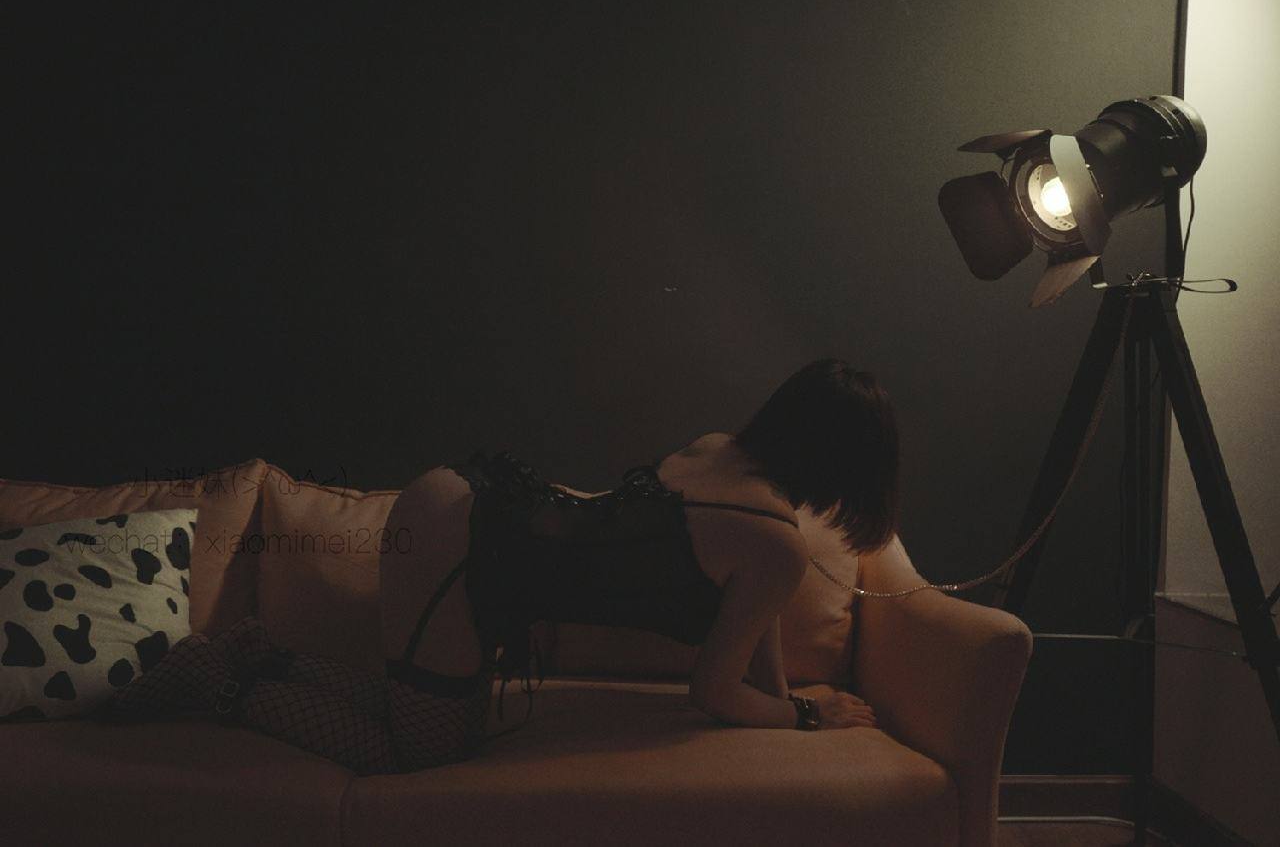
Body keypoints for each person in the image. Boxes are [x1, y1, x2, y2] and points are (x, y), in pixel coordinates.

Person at [103, 358, 897, 774]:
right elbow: (714, 691)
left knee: (432, 717)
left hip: (465, 501)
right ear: (844, 464)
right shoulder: (775, 542)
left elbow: (754, 625)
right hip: (465, 539)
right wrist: (804, 716)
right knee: (414, 755)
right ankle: (225, 684)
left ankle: (259, 655)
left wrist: (787, 699)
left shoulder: (719, 451)